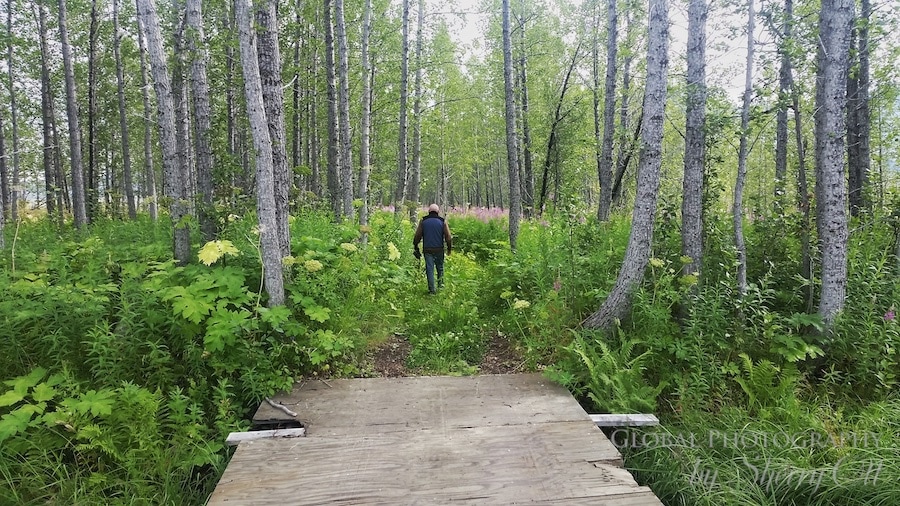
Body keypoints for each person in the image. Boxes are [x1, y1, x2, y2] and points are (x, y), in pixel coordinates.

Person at [413, 204, 452, 294]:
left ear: (429, 211)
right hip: (439, 249)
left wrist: (415, 245)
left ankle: (432, 290)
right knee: (440, 268)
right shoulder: (442, 222)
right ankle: (441, 287)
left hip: (427, 250)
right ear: (438, 212)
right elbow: (448, 236)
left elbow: (418, 235)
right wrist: (449, 249)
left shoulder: (423, 221)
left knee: (429, 269)